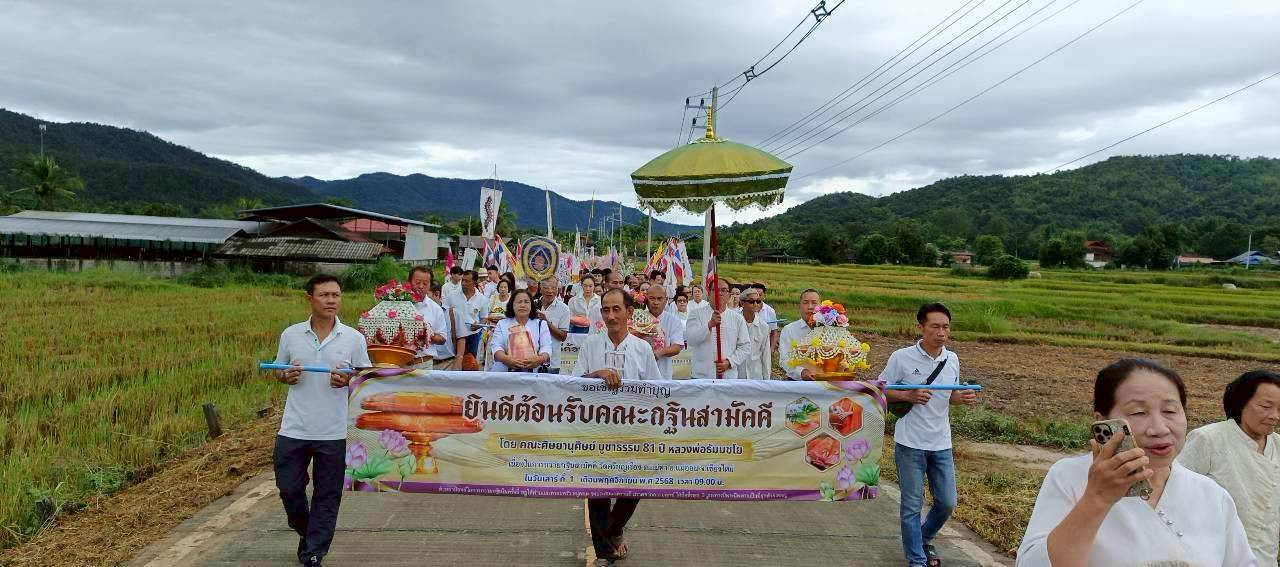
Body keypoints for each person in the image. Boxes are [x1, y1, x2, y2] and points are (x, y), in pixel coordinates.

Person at [1017, 359, 1257, 567]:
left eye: (1170, 411)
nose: (1159, 429)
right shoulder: (1070, 477)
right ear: (1104, 422)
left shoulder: (1211, 495)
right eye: (1138, 413)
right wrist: (1096, 499)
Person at [268, 275, 371, 566]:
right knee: (289, 489)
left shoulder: (353, 338)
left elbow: (364, 379)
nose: (331, 300)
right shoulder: (291, 334)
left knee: (327, 495)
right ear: (309, 298)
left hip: (334, 431)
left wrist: (348, 381)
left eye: (336, 295)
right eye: (324, 295)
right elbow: (279, 369)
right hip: (294, 428)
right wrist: (285, 375)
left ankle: (314, 552)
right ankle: (308, 530)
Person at [880, 303, 977, 567]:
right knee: (912, 505)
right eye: (935, 326)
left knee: (947, 502)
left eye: (945, 327)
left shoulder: (952, 359)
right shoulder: (901, 357)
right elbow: (880, 389)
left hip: (941, 442)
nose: (941, 332)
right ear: (920, 327)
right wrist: (907, 395)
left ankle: (922, 539)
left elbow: (950, 397)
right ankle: (917, 560)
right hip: (910, 442)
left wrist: (962, 398)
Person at [572, 288, 663, 567]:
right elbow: (574, 385)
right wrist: (596, 374)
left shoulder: (642, 348)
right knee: (597, 489)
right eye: (606, 310)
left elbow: (656, 391)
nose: (611, 316)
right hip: (596, 428)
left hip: (632, 430)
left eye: (616, 309)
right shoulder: (591, 345)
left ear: (629, 312)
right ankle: (605, 550)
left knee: (633, 487)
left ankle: (613, 529)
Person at [1179, 369, 1280, 565]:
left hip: (1265, 556)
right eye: (1266, 406)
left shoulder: (1278, 445)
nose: (1274, 416)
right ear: (1241, 402)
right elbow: (1174, 490)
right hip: (1214, 556)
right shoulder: (1209, 438)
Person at [685, 277, 752, 379]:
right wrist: (709, 325)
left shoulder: (737, 318)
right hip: (701, 377)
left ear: (729, 295)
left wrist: (729, 362)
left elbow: (745, 346)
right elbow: (691, 340)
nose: (719, 293)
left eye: (724, 290)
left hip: (728, 377)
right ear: (709, 293)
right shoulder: (696, 314)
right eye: (715, 290)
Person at [488, 289, 553, 372]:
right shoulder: (502, 324)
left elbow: (546, 346)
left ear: (531, 305)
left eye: (526, 302)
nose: (523, 305)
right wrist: (505, 359)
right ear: (512, 305)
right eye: (519, 302)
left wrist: (540, 359)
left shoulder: (541, 324)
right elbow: (496, 346)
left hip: (533, 374)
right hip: (506, 373)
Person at [445, 270, 489, 366]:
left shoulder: (482, 299)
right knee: (454, 361)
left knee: (470, 363)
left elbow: (484, 317)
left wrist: (478, 325)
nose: (464, 284)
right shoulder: (452, 296)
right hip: (455, 335)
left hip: (473, 335)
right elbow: (445, 312)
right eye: (462, 281)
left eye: (467, 281)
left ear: (474, 282)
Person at [408, 266, 448, 370]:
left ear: (430, 285)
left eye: (425, 284)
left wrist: (426, 334)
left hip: (423, 365)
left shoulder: (435, 309)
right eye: (417, 282)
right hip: (399, 365)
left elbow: (442, 338)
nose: (421, 286)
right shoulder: (398, 304)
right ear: (409, 282)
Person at [642, 284, 684, 379]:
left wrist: (659, 353)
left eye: (660, 298)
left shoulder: (673, 320)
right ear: (646, 299)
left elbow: (677, 347)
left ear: (666, 300)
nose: (656, 302)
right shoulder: (639, 317)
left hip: (663, 372)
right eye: (652, 298)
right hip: (640, 371)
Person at [779, 289, 821, 380]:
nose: (810, 307)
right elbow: (784, 361)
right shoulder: (789, 330)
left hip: (824, 384)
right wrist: (801, 372)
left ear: (820, 306)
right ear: (799, 306)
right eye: (805, 303)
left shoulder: (829, 329)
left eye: (814, 303)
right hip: (797, 384)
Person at [536, 277, 571, 373]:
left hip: (553, 361)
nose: (550, 291)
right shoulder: (532, 305)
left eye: (554, 288)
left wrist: (546, 323)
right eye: (546, 288)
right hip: (532, 360)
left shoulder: (564, 309)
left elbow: (563, 337)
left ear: (558, 290)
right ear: (540, 288)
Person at [738, 288, 772, 380]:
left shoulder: (763, 326)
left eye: (758, 301)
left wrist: (767, 380)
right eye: (751, 301)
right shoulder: (733, 322)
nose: (756, 304)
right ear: (742, 302)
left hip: (756, 376)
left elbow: (766, 355)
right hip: (736, 375)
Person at [750, 283, 780, 352]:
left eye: (760, 295)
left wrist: (771, 349)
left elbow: (774, 332)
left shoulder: (770, 311)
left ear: (764, 296)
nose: (757, 297)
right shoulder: (744, 310)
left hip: (764, 348)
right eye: (755, 295)